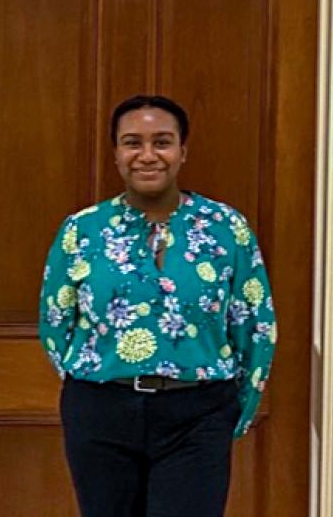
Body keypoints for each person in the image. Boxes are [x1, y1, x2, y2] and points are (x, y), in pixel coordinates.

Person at [39, 94, 277, 517]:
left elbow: (254, 324)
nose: (147, 155)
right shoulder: (82, 230)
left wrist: (234, 409)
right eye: (133, 143)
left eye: (162, 142)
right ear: (116, 153)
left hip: (198, 414)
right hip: (101, 412)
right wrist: (101, 374)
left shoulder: (226, 228)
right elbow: (56, 322)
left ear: (182, 151)